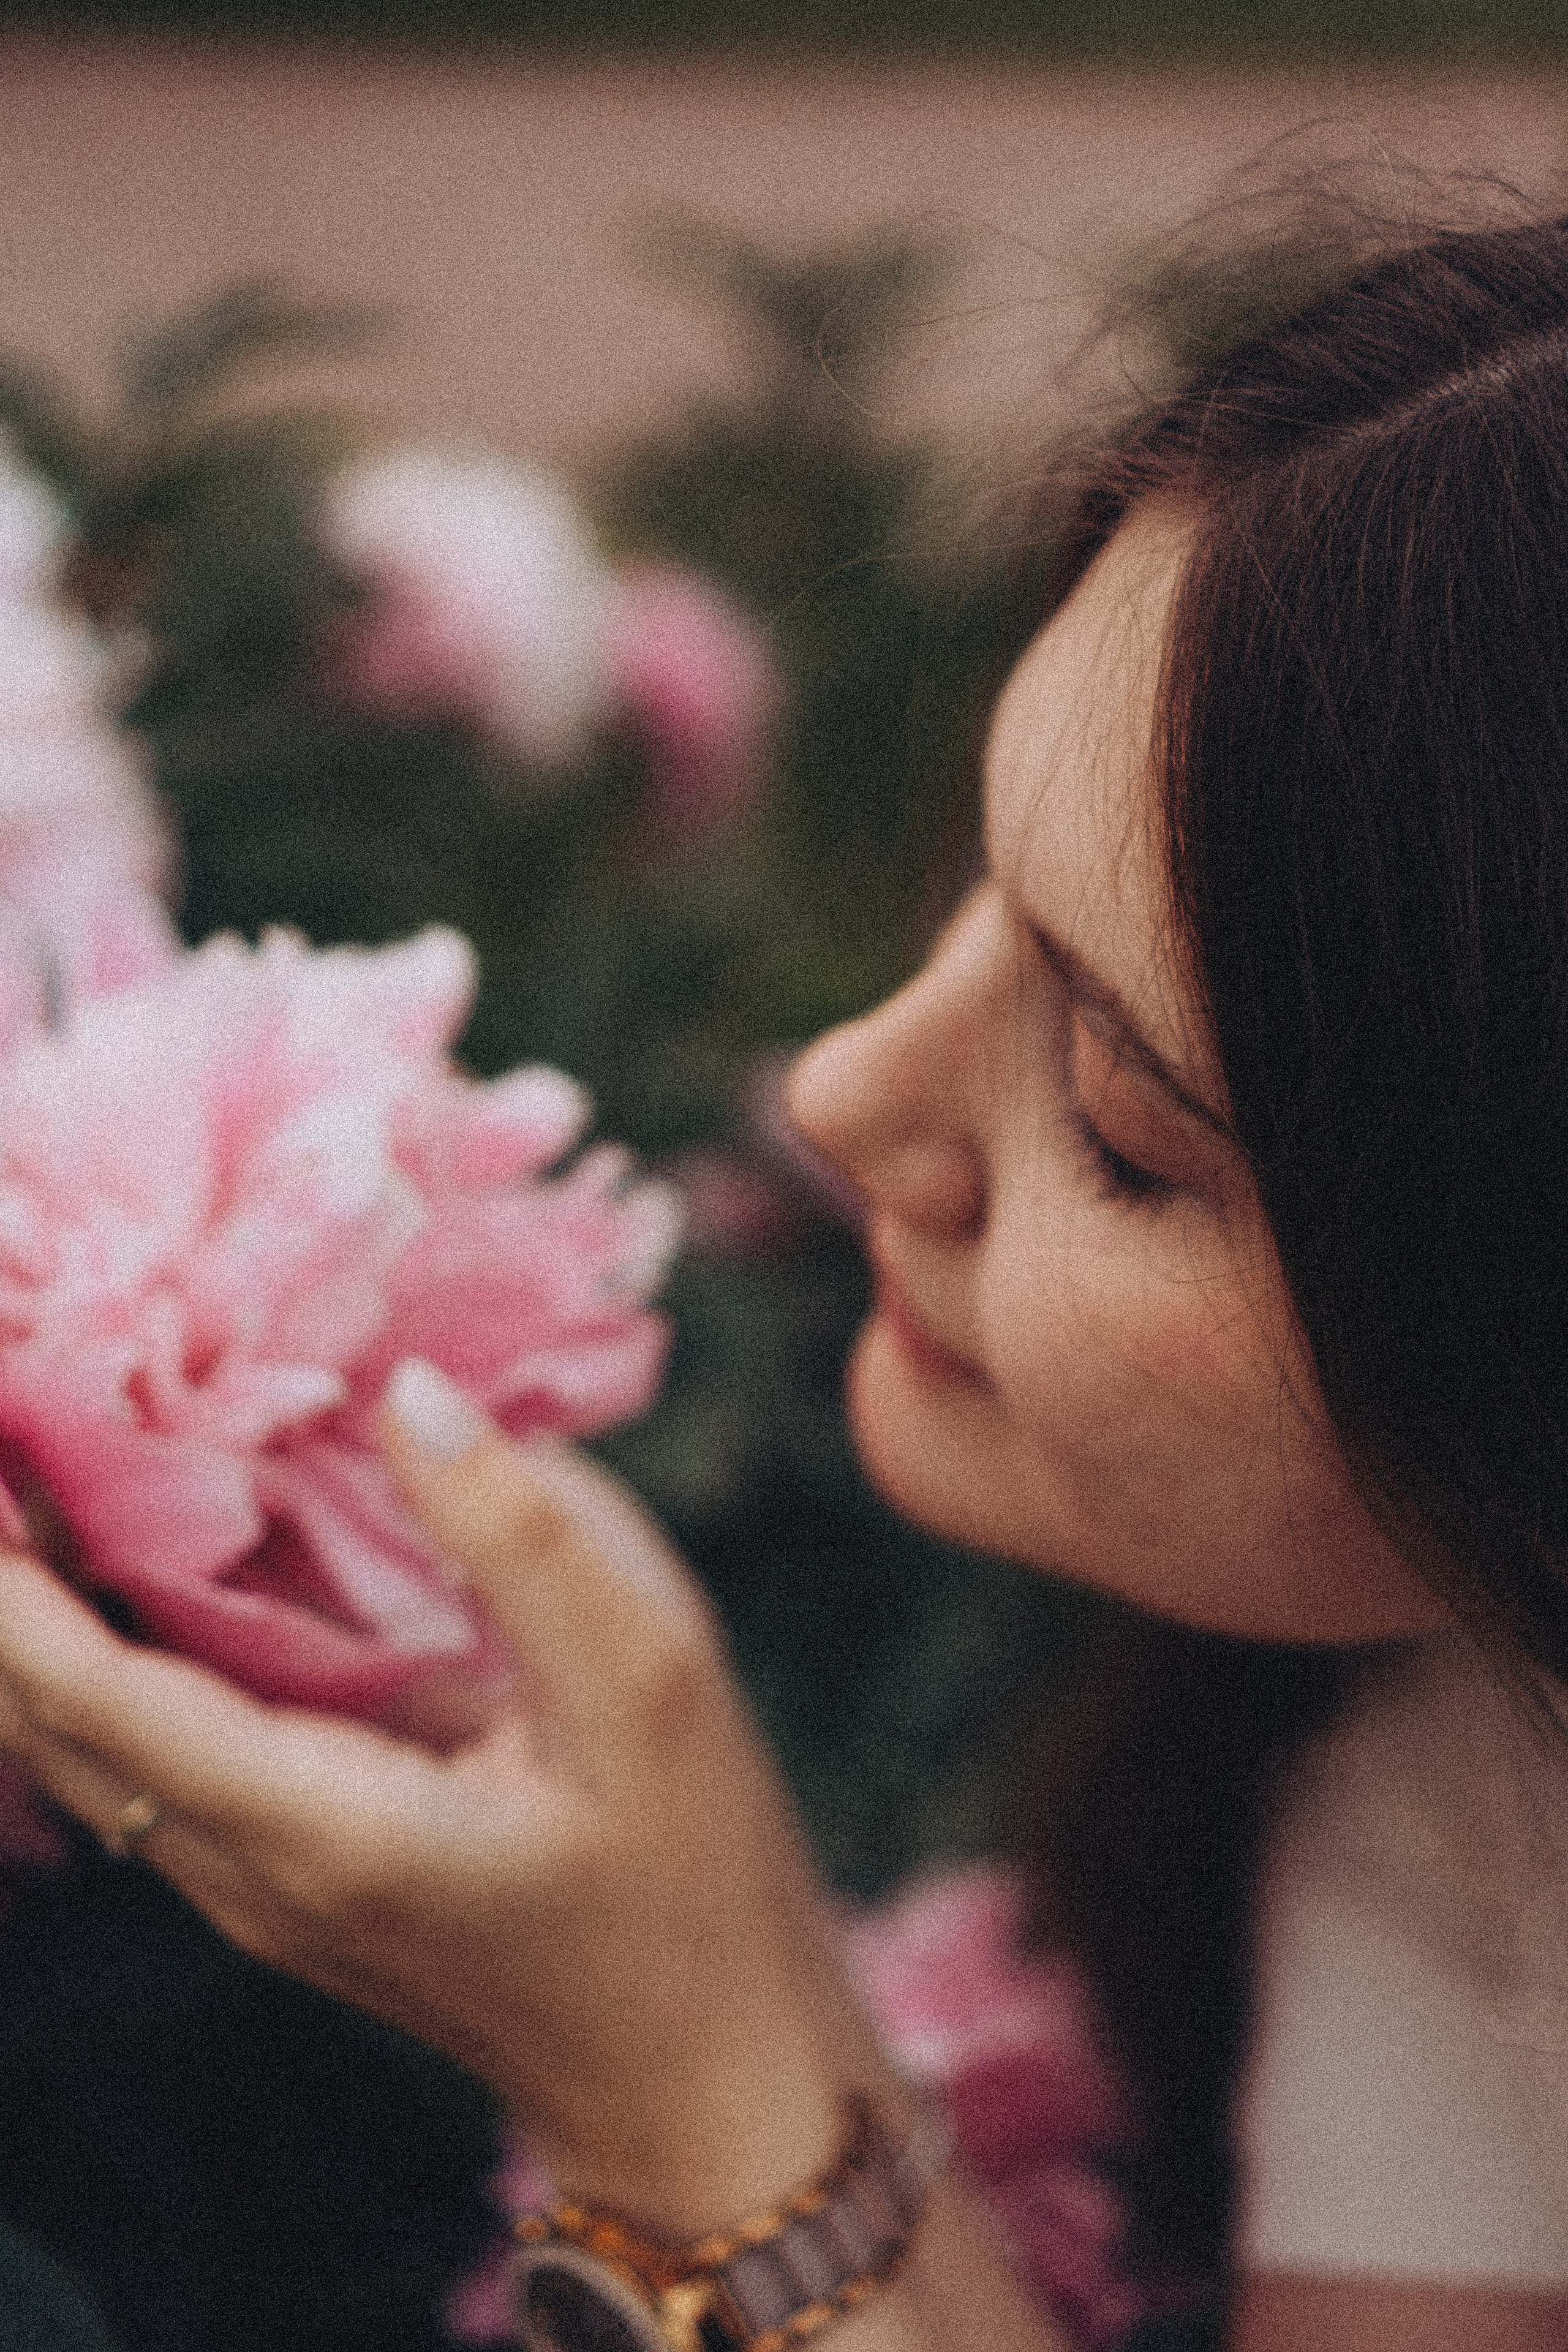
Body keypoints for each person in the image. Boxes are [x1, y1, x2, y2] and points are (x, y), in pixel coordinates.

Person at [0, 208, 1566, 2351]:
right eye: (982, 882)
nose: (838, 1092)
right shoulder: (1462, 1768)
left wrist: (682, 2073)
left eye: (1118, 1125)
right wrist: (711, 1979)